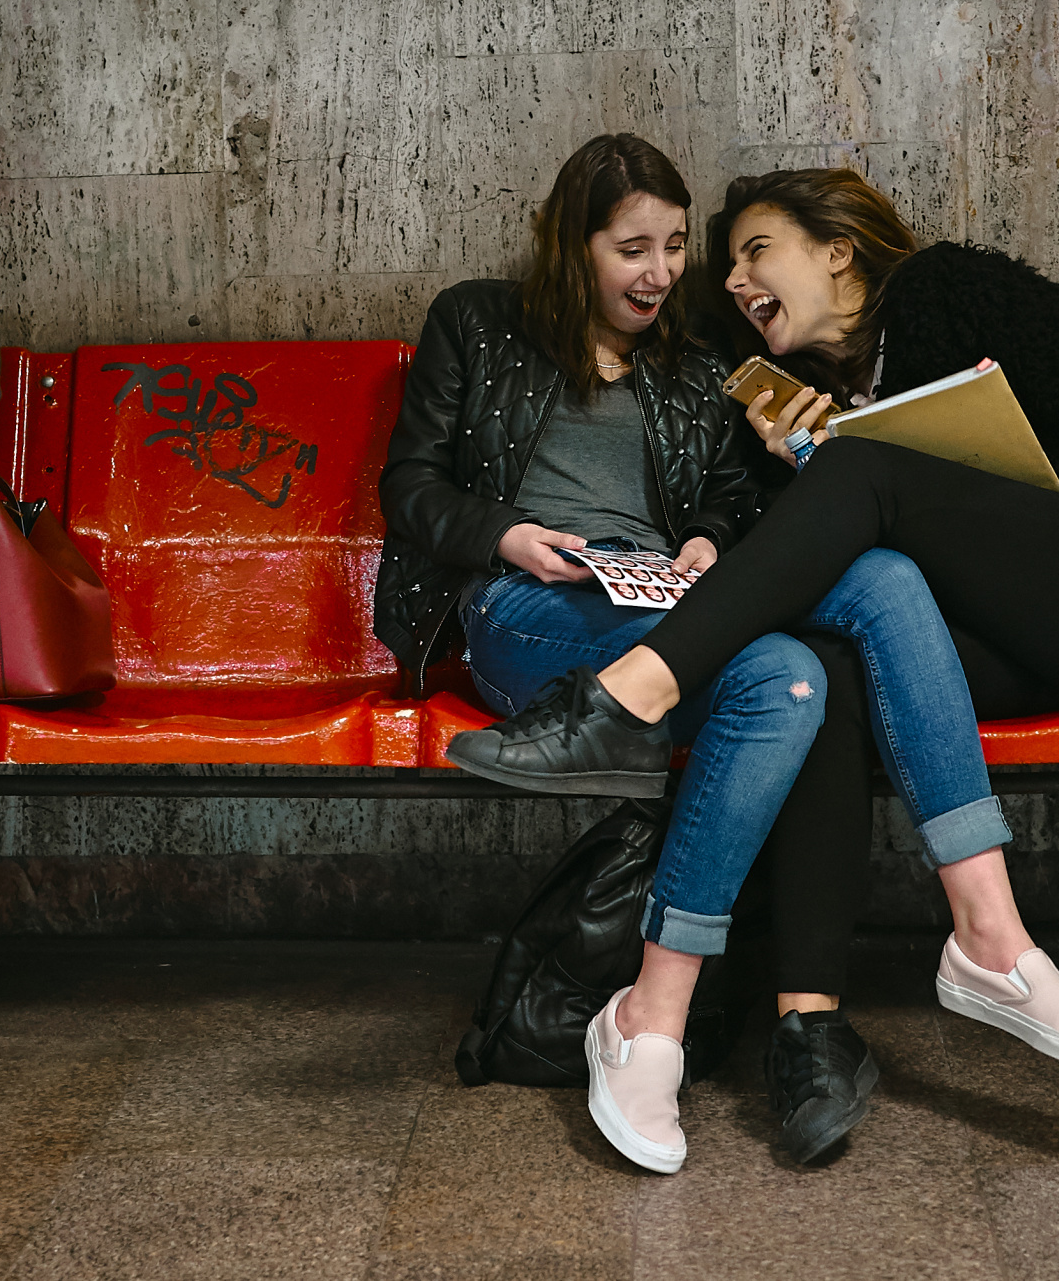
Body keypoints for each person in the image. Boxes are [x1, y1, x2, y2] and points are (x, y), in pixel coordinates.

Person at [452, 164, 1059, 1170]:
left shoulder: (947, 291)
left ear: (837, 251)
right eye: (727, 267)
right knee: (822, 674)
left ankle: (628, 693)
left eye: (756, 252)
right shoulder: (794, 398)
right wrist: (789, 464)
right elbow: (816, 567)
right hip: (973, 649)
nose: (736, 280)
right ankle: (813, 1024)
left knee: (862, 474)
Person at [376, 135, 971, 1170]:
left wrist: (707, 539)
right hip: (526, 604)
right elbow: (411, 484)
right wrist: (509, 537)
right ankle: (664, 1018)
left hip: (664, 606)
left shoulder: (693, 360)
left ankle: (648, 1019)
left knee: (791, 678)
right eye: (631, 249)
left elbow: (730, 494)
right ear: (573, 246)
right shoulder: (474, 321)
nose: (659, 273)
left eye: (675, 246)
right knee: (781, 677)